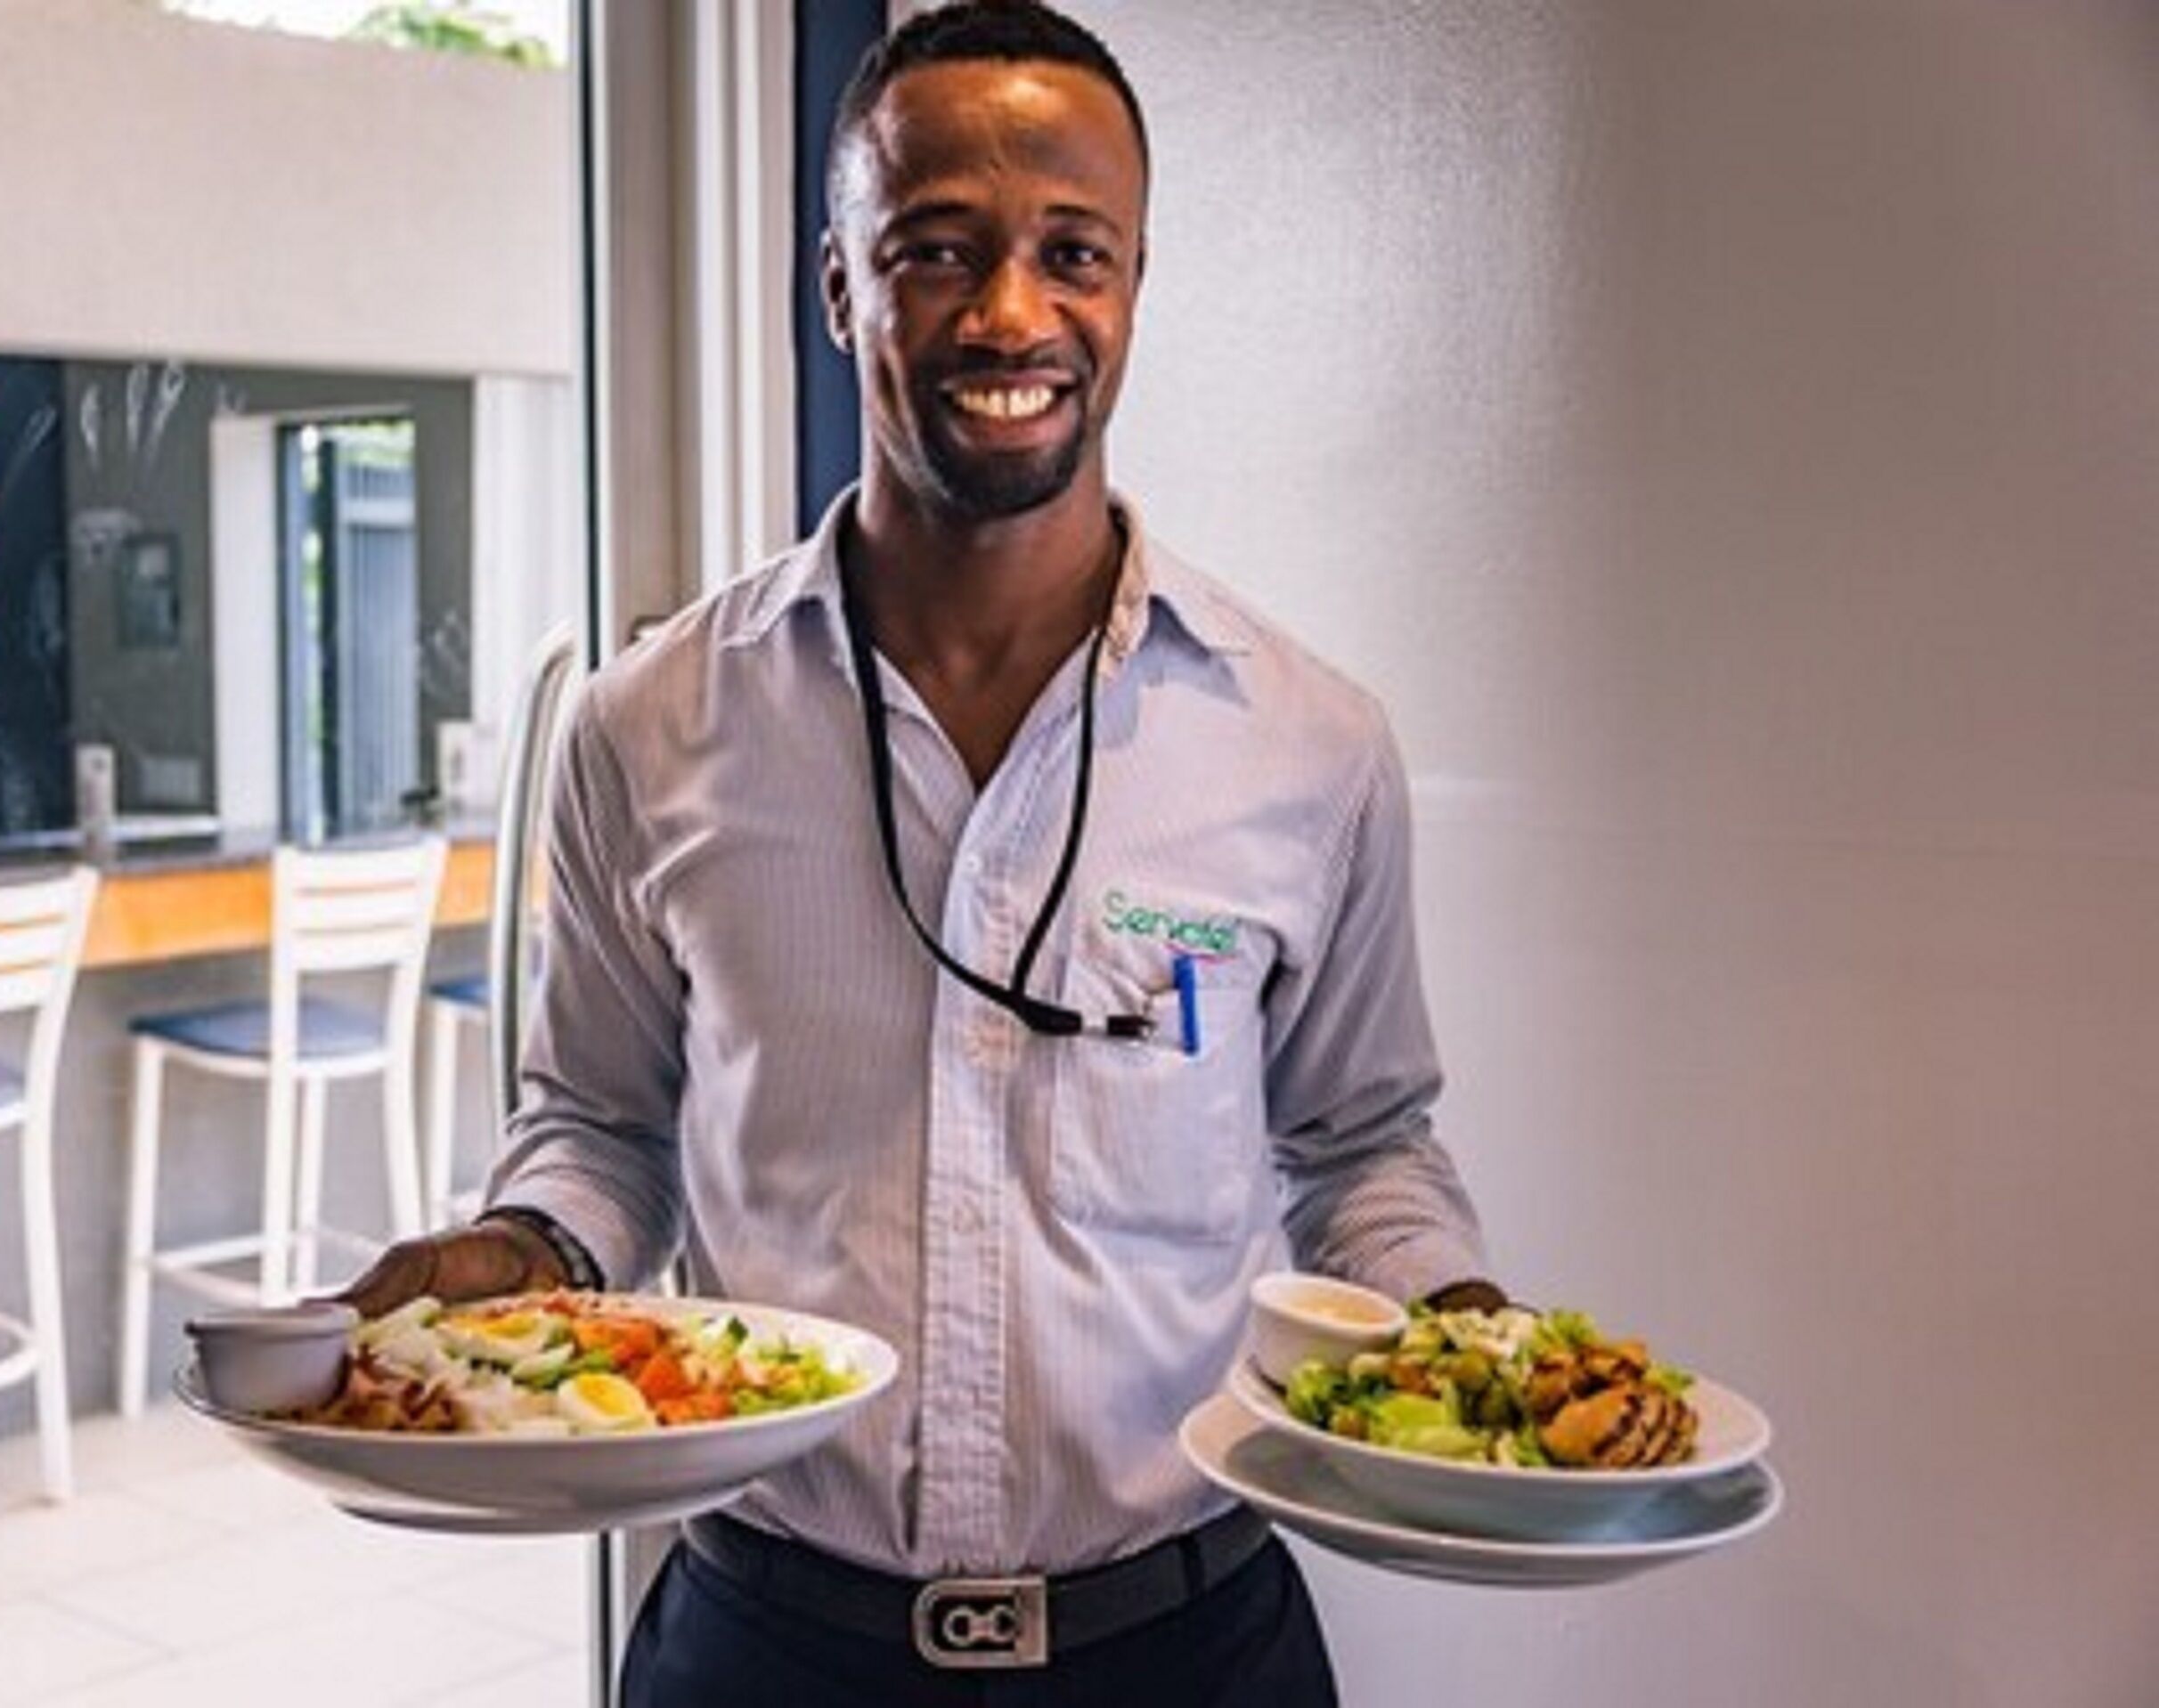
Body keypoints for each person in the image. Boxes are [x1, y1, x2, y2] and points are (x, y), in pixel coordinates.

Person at [344, 4, 1500, 1702]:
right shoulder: (648, 725)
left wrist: (1474, 1328)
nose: (1012, 313)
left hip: (1188, 1643)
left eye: (1072, 252)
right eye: (937, 250)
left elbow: (1361, 1141)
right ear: (840, 290)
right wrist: (525, 1257)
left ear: (1133, 286)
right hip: (765, 1638)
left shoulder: (1309, 744)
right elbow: (601, 1122)